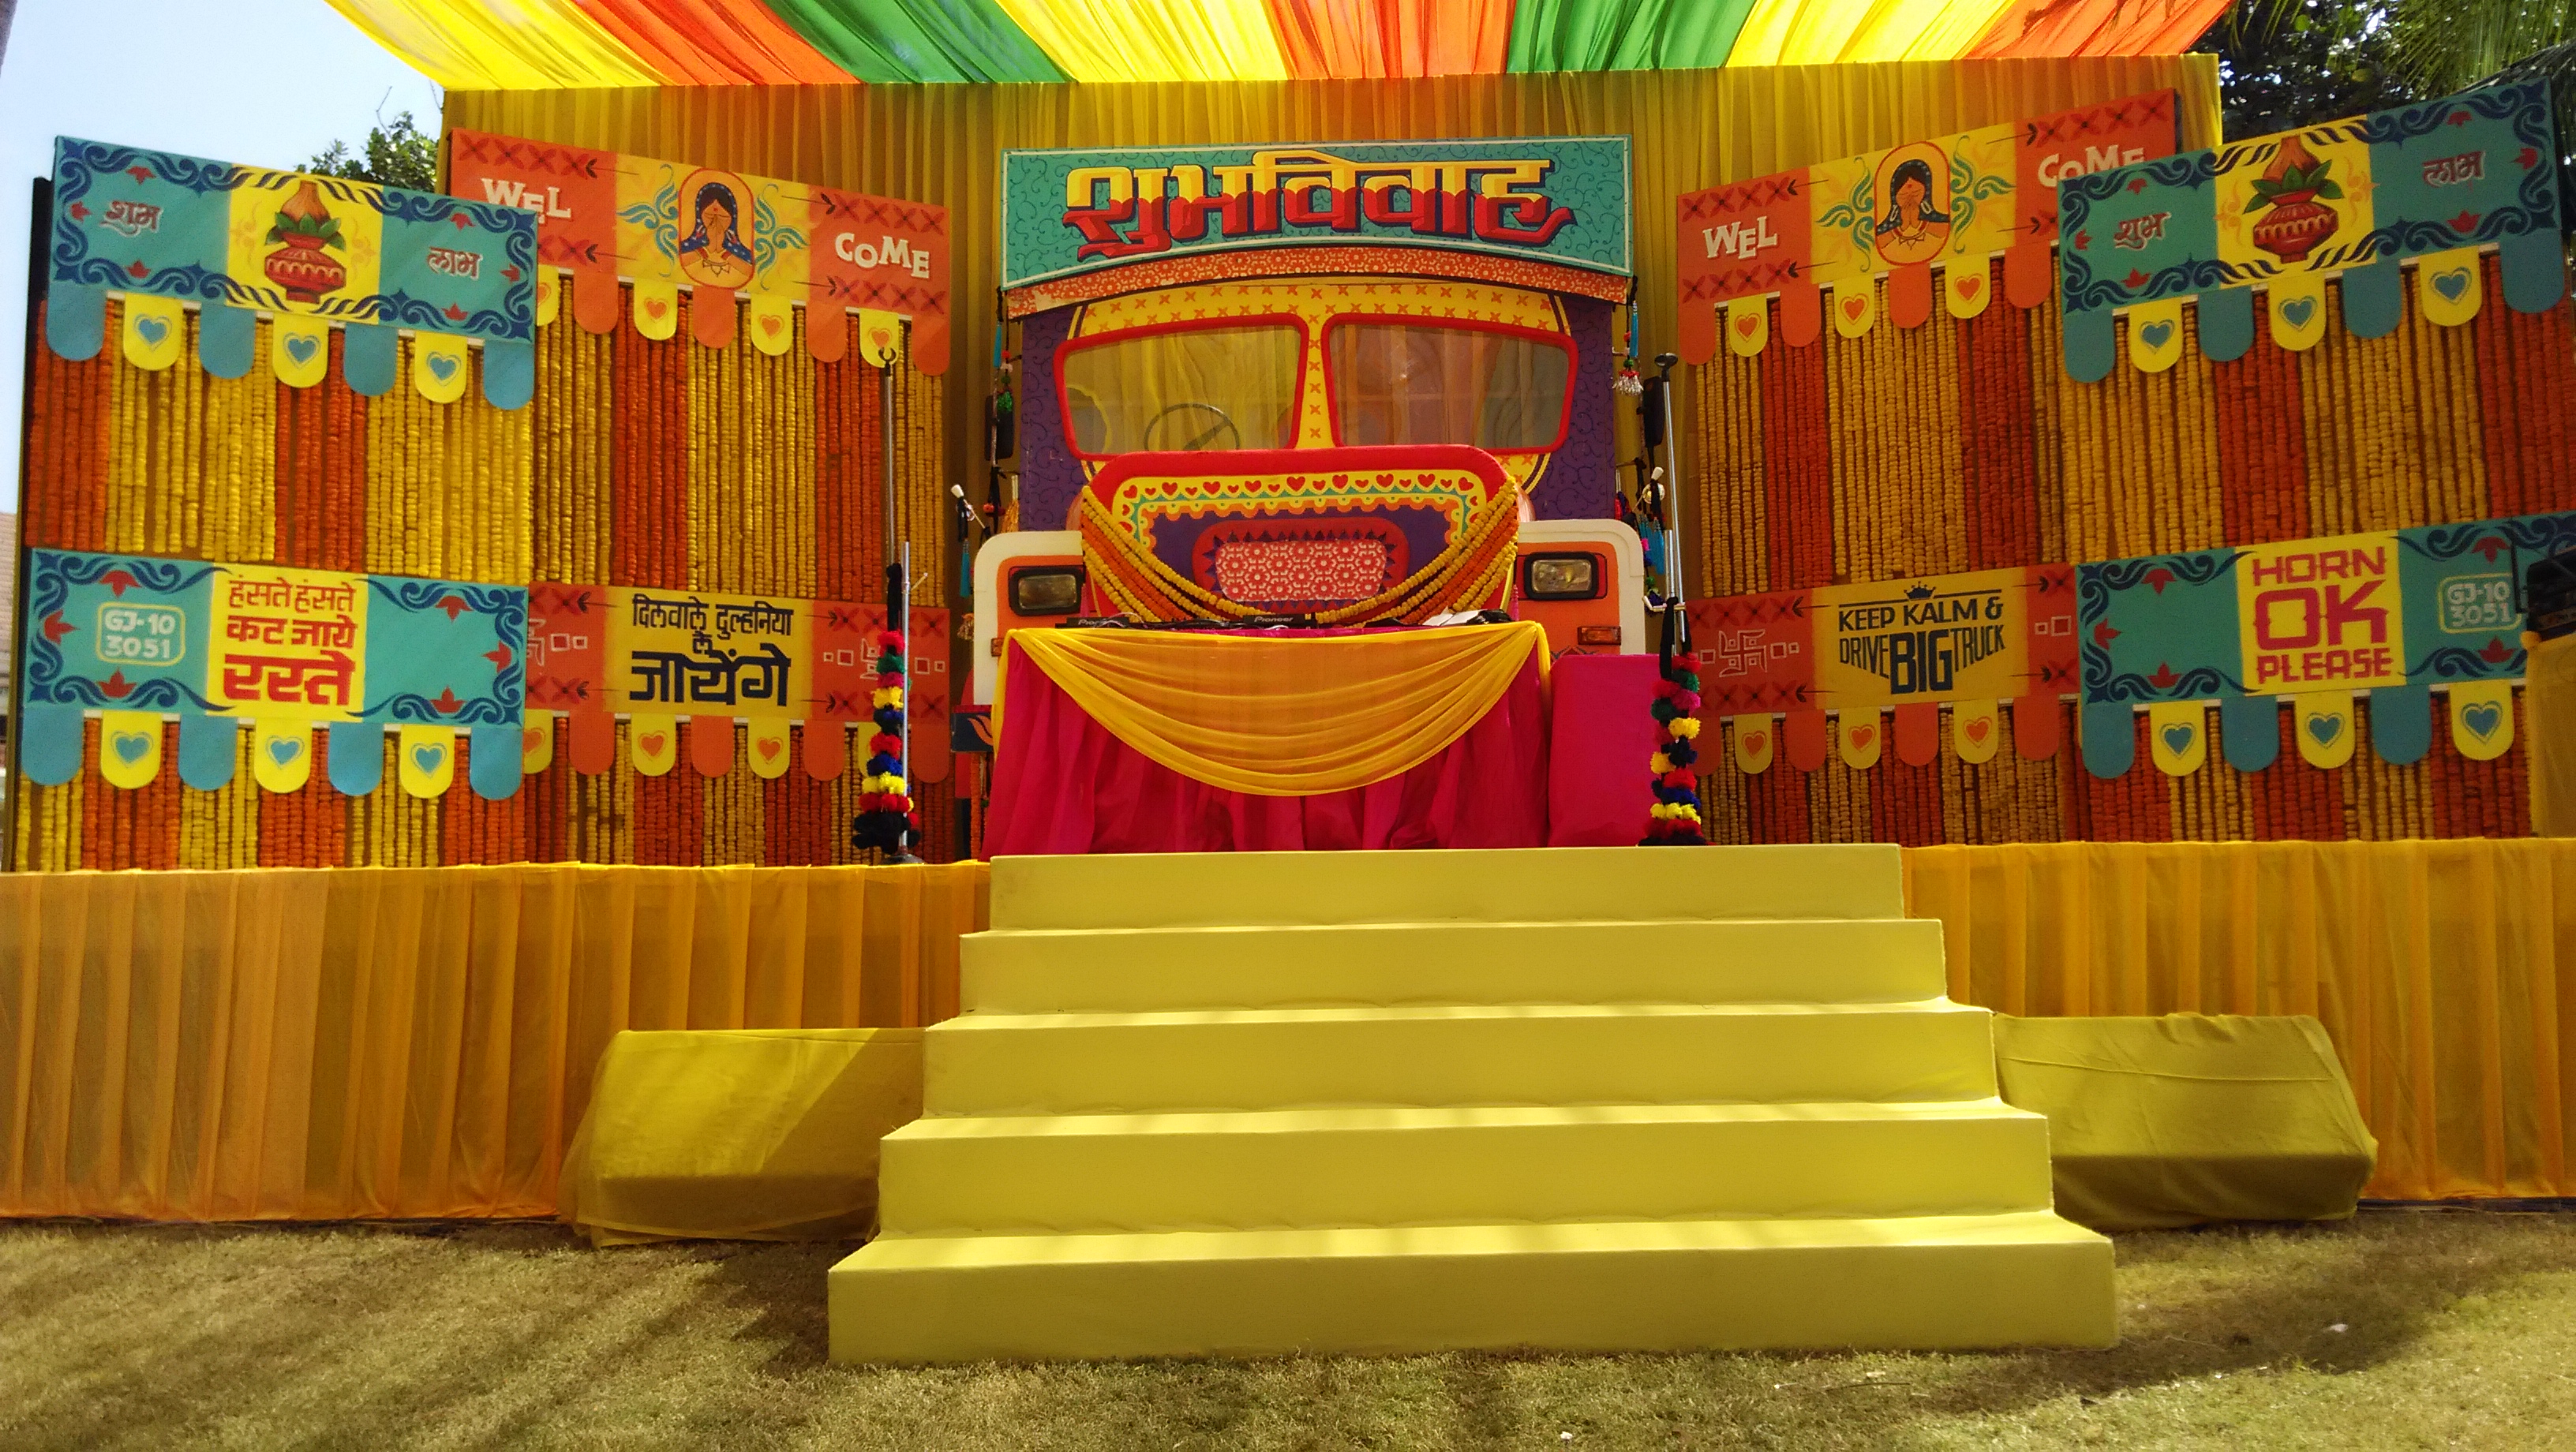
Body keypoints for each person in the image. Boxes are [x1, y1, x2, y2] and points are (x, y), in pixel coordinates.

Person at [679, 181, 756, 289]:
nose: (716, 221)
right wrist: (708, 248)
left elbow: (749, 273)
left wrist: (721, 249)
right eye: (709, 215)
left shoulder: (739, 252)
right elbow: (678, 265)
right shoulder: (688, 247)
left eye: (723, 217)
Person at [1874, 157, 1950, 264]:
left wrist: (1918, 223)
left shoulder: (1938, 220)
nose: (1909, 196)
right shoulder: (1885, 229)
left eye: (1916, 193)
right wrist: (1902, 226)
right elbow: (1879, 242)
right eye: (1904, 195)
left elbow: (1946, 230)